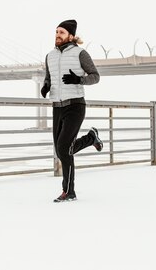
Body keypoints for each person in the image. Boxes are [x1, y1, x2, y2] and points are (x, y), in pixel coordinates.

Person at [41, 19, 103, 202]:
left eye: (61, 32)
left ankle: (69, 191)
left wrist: (79, 80)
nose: (57, 35)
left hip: (75, 105)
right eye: (56, 32)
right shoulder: (50, 56)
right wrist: (45, 87)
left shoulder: (80, 53)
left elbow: (95, 76)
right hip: (57, 107)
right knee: (61, 150)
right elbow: (48, 78)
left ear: (71, 35)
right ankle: (91, 138)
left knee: (63, 147)